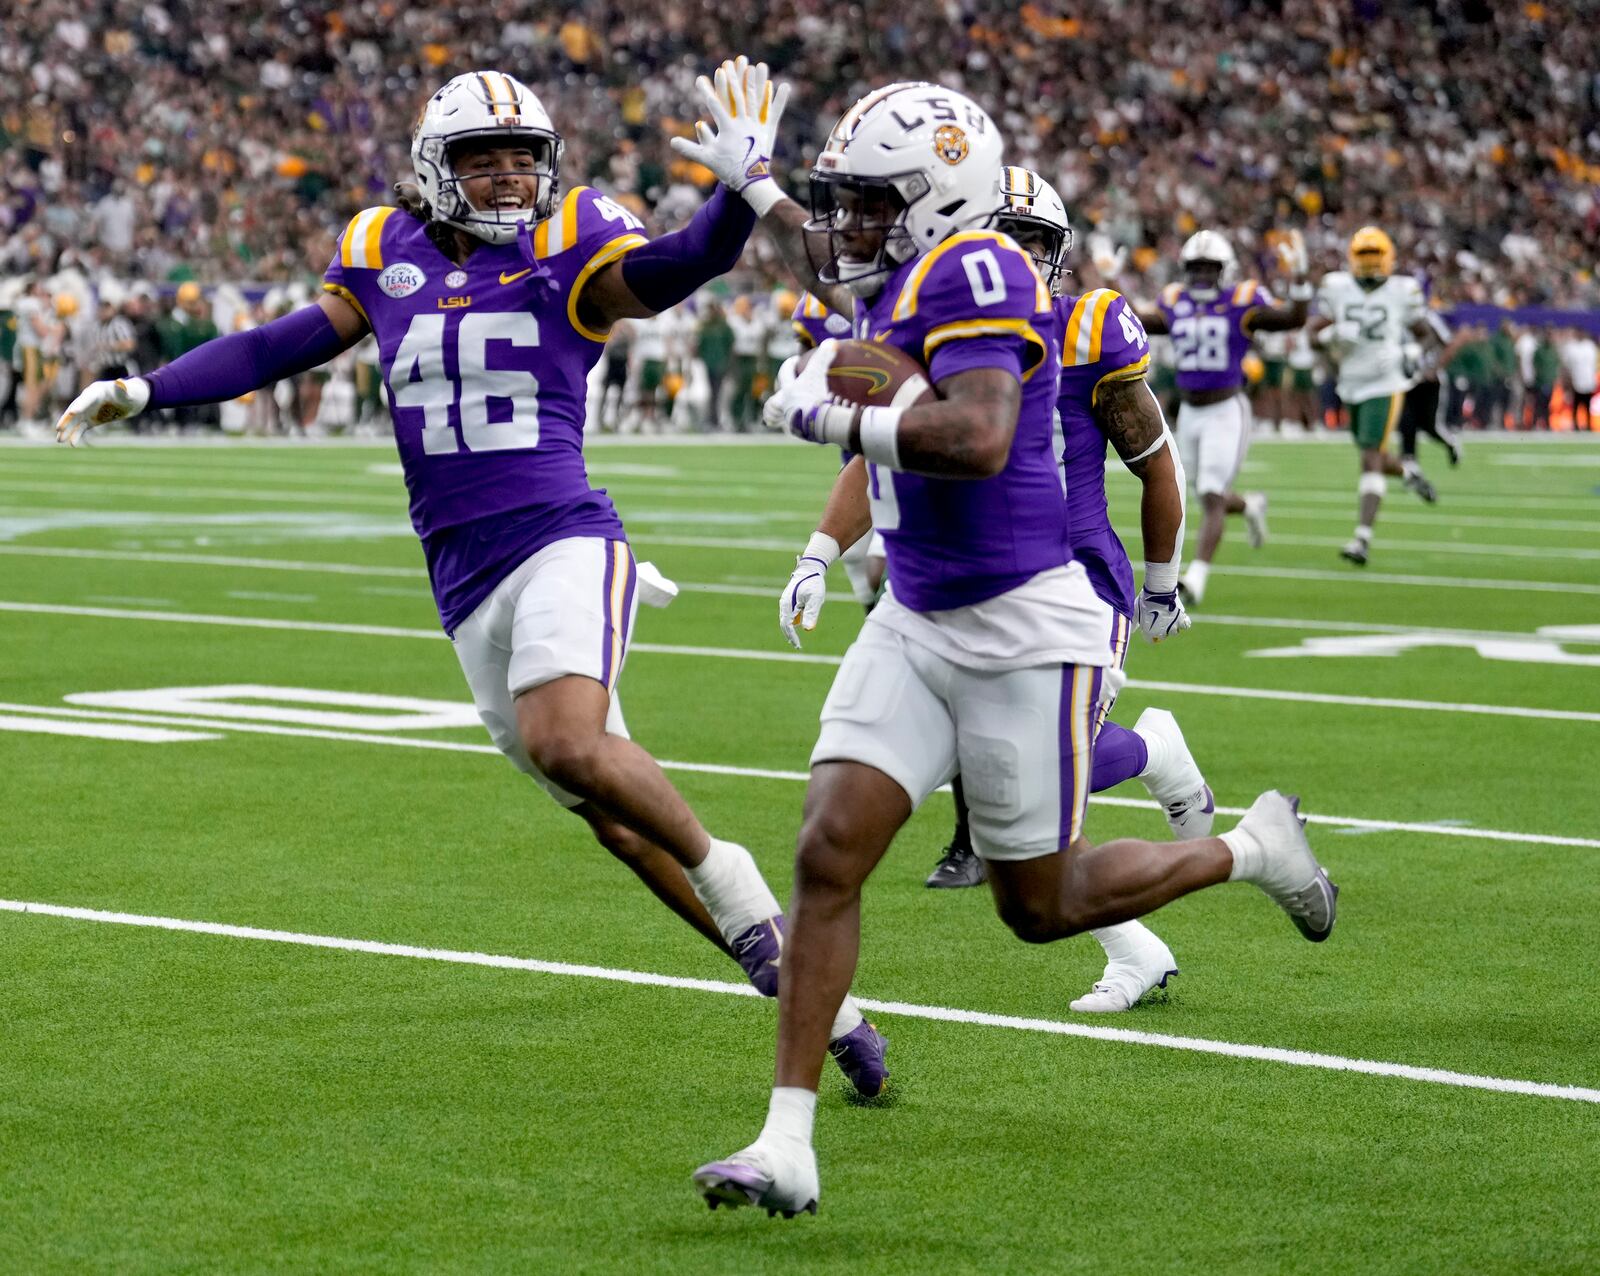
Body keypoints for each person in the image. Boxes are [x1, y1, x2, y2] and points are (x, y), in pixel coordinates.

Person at [55, 67, 886, 1093]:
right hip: (461, 578)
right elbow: (278, 346)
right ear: (433, 171)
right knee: (613, 819)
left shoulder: (571, 234)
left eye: (521, 158)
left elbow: (668, 270)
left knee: (565, 739)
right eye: (480, 160)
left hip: (563, 535)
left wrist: (732, 197)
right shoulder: (378, 249)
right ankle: (826, 1004)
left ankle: (740, 892)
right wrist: (149, 386)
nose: (505, 178)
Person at [676, 68, 1338, 1217]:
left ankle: (1251, 849)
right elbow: (826, 262)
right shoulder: (906, 267)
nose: (851, 225)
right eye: (848, 202)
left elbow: (975, 437)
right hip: (917, 616)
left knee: (1039, 905)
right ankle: (786, 1139)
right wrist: (759, 186)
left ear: (937, 199)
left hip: (1030, 623)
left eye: (873, 202)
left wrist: (829, 414)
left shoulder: (978, 267)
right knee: (829, 850)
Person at [893, 166, 1214, 1012]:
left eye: (1037, 242)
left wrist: (1160, 581)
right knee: (992, 767)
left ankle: (1154, 797)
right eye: (1005, 238)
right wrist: (822, 549)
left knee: (1029, 768)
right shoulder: (937, 328)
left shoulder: (1091, 328)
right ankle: (1152, 779)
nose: (1021, 257)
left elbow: (1155, 462)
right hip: (986, 573)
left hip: (1077, 575)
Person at [1130, 229, 1312, 607]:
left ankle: (1195, 578)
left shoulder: (1242, 302)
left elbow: (1294, 318)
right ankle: (1250, 505)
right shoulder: (1175, 301)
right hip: (1190, 412)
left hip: (1227, 409)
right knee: (1204, 494)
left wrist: (1299, 280)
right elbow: (1135, 320)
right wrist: (1111, 284)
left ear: (1223, 270)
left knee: (1211, 495)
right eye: (1195, 268)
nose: (1200, 276)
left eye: (1208, 269)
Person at [1310, 227, 1443, 566]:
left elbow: (1426, 335)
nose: (1370, 266)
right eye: (1364, 257)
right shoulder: (1337, 288)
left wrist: (1409, 351)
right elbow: (1311, 335)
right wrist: (1332, 335)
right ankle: (1410, 472)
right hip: (1350, 382)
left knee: (1369, 456)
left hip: (1385, 381)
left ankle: (1362, 539)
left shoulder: (1403, 290)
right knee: (1375, 455)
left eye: (1375, 257)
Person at [1560, 328, 1597, 432]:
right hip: (1575, 381)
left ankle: (1589, 425)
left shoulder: (1590, 346)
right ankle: (1575, 425)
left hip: (1588, 380)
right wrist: (1567, 381)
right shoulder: (1571, 347)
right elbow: (1566, 366)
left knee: (1587, 405)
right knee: (1576, 405)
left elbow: (1593, 365)